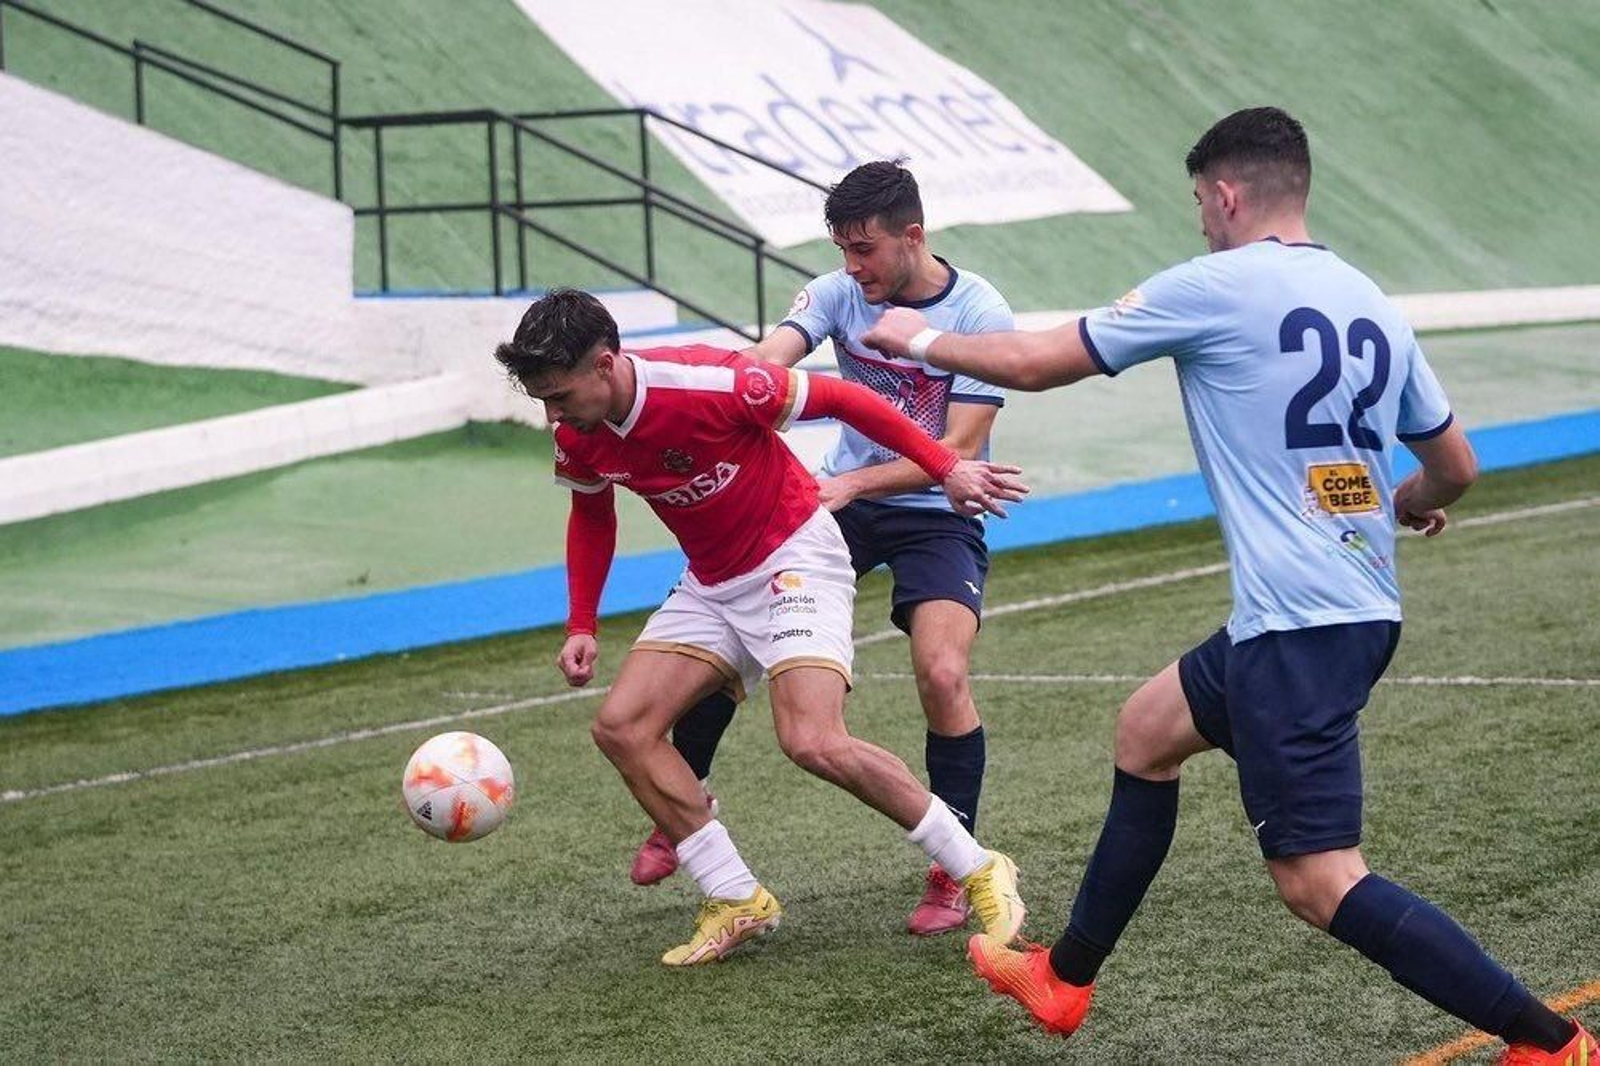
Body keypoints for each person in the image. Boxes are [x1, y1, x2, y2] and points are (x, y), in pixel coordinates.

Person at [860, 108, 1593, 1060]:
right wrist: (1407, 501)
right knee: (1146, 730)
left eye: (1202, 204)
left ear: (1228, 194)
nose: (1201, 222)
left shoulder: (1214, 284)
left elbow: (1038, 363)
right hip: (1338, 611)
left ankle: (1550, 1041)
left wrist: (920, 339)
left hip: (1303, 628)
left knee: (1320, 883)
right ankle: (1064, 979)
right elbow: (1454, 462)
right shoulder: (1368, 298)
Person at [495, 288, 1030, 968]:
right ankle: (735, 895)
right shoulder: (576, 433)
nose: (552, 414)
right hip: (713, 581)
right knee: (622, 728)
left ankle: (980, 867)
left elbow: (846, 401)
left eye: (559, 394)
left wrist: (946, 465)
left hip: (793, 556)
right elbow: (592, 516)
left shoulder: (710, 381)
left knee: (811, 739)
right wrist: (582, 623)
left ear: (605, 365)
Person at [628, 160, 1016, 937]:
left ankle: (956, 865)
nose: (851, 266)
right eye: (841, 248)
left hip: (933, 510)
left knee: (943, 671)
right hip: (834, 501)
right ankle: (689, 796)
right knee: (730, 626)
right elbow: (767, 359)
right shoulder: (838, 293)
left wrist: (854, 488)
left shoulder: (979, 310)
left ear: (913, 236)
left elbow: (960, 448)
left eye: (864, 249)